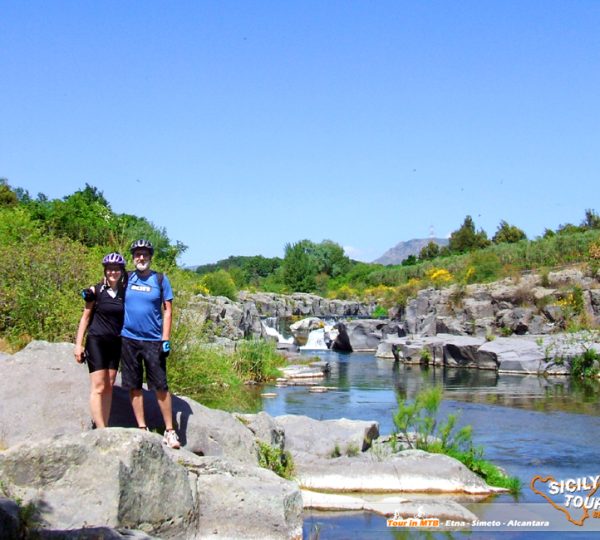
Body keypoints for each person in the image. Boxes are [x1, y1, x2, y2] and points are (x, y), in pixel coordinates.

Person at [121, 239, 180, 449]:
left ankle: (170, 430)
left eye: (145, 254)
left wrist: (166, 338)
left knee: (160, 386)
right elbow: (105, 287)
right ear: (133, 257)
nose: (141, 258)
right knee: (134, 385)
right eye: (138, 254)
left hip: (153, 340)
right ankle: (142, 428)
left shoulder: (160, 279)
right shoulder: (126, 277)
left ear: (150, 256)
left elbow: (168, 310)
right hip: (128, 338)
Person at [74, 252, 126, 428]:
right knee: (98, 386)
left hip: (115, 343)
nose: (113, 272)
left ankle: (104, 423)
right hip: (97, 341)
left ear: (121, 271)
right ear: (105, 270)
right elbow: (85, 318)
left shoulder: (125, 292)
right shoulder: (96, 291)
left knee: (110, 384)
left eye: (116, 269)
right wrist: (78, 345)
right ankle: (101, 429)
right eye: (110, 269)